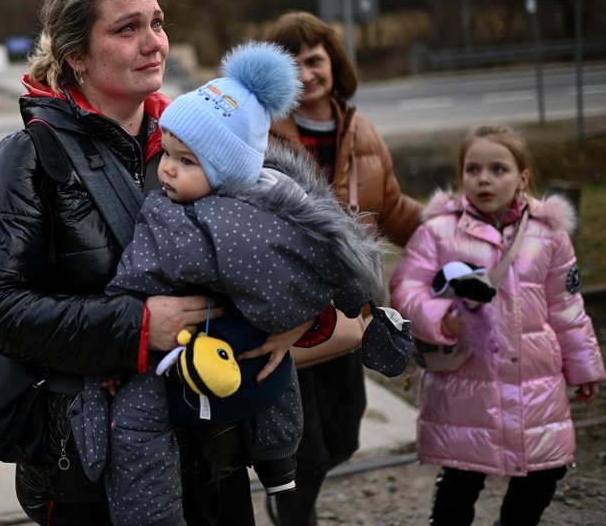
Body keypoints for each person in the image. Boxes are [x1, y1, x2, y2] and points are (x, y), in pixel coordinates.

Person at [0, 0, 290, 526]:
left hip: (216, 447)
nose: (154, 43)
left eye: (157, 23)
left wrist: (293, 318)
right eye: (127, 28)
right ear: (76, 56)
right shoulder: (26, 159)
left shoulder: (203, 142)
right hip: (93, 466)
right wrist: (138, 328)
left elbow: (289, 243)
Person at [91, 41, 401, 526]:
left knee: (135, 418)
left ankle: (150, 514)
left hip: (190, 354)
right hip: (256, 351)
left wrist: (116, 339)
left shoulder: (175, 220)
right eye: (167, 154)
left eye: (186, 161)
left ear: (227, 169)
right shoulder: (284, 197)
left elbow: (136, 277)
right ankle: (279, 464)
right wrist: (328, 307)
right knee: (276, 377)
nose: (167, 169)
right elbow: (330, 259)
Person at [390, 124, 606, 526]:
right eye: (473, 169)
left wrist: (585, 367)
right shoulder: (438, 231)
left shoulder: (549, 235)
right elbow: (405, 290)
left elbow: (566, 306)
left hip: (535, 383)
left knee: (544, 473)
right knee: (460, 478)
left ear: (523, 176)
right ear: (461, 176)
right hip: (464, 384)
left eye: (498, 169)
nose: (484, 178)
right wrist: (442, 319)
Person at [263, 11, 423, 526]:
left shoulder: (364, 133)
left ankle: (289, 497)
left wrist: (457, 231)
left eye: (315, 59)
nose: (306, 73)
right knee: (302, 450)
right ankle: (293, 511)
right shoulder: (263, 133)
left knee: (344, 436)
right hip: (291, 315)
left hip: (350, 315)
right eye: (293, 64)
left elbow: (394, 210)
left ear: (333, 62)